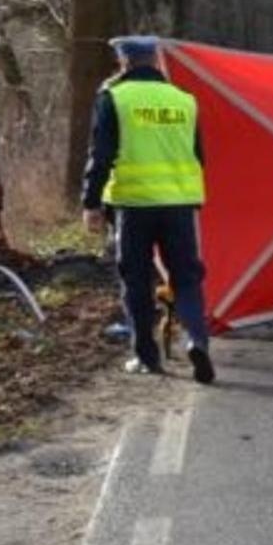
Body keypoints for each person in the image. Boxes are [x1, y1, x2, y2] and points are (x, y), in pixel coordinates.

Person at [80, 35, 215, 384]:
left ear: (124, 62)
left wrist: (91, 203)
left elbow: (101, 155)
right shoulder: (185, 100)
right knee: (186, 277)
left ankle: (146, 356)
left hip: (133, 204)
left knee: (136, 279)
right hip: (179, 203)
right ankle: (197, 340)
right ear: (155, 61)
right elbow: (197, 155)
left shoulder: (114, 97)